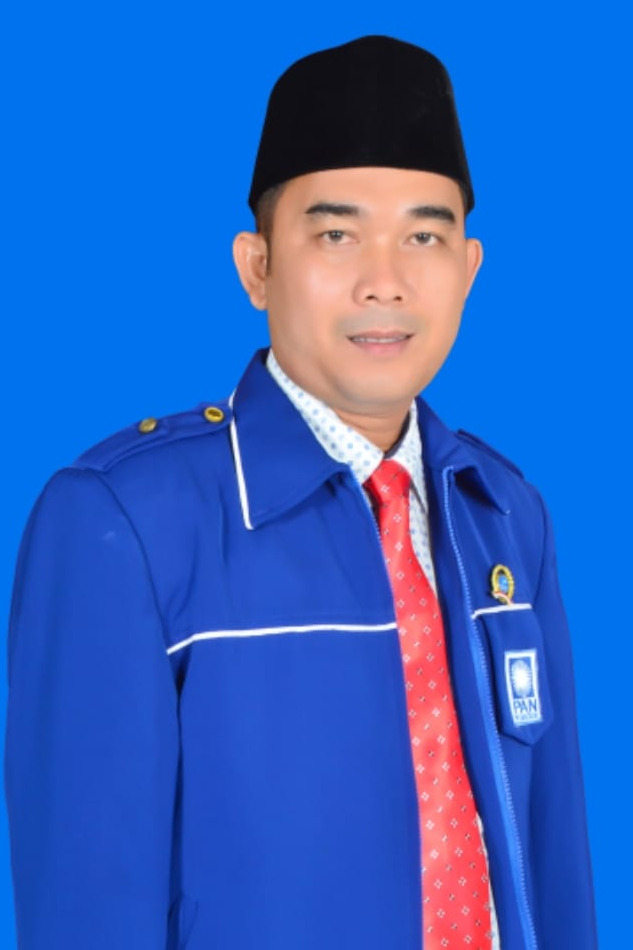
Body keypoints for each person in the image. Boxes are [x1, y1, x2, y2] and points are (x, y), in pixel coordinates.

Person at [4, 35, 597, 950]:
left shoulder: (505, 514)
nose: (384, 282)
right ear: (257, 266)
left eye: (424, 236)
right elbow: (86, 905)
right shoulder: (125, 522)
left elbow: (551, 866)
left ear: (469, 269)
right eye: (335, 233)